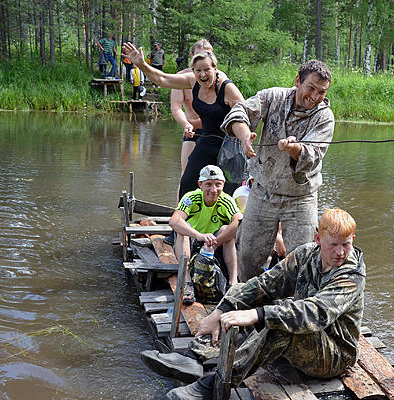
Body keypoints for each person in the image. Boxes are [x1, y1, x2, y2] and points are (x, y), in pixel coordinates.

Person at [140, 208, 365, 400]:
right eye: (333, 245)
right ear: (318, 239)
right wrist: (223, 310)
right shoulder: (306, 254)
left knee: (275, 322)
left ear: (353, 240)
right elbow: (265, 284)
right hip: (309, 338)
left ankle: (216, 383)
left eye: (346, 244)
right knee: (249, 299)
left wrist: (255, 315)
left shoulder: (350, 275)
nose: (340, 252)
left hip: (334, 355)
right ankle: (193, 357)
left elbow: (313, 313)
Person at [221, 60, 335, 283]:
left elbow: (311, 157)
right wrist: (245, 135)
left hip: (300, 198)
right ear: (297, 81)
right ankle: (247, 304)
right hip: (262, 191)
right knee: (248, 255)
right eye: (310, 88)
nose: (315, 96)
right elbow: (239, 112)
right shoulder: (273, 97)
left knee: (304, 260)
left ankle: (297, 309)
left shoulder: (325, 117)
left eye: (321, 92)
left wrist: (294, 148)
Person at [123, 42, 245, 199]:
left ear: (215, 68)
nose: (202, 75)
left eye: (207, 70)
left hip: (229, 143)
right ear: (193, 69)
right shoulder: (191, 80)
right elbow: (162, 79)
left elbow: (244, 114)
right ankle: (183, 218)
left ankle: (230, 221)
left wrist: (245, 138)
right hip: (205, 139)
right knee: (188, 181)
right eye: (198, 71)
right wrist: (141, 65)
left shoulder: (226, 87)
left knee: (229, 188)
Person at [169, 165, 242, 304]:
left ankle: (233, 282)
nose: (213, 190)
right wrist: (198, 235)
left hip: (213, 243)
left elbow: (239, 220)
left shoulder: (226, 200)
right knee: (182, 229)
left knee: (227, 229)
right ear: (200, 184)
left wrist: (217, 242)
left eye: (217, 185)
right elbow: (174, 221)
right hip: (192, 242)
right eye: (208, 185)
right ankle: (187, 281)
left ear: (223, 185)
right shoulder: (192, 197)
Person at [171, 39, 221, 204]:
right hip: (192, 129)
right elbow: (176, 107)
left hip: (214, 131)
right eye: (201, 53)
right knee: (186, 175)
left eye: (209, 54)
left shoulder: (219, 78)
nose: (206, 56)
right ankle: (181, 211)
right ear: (193, 56)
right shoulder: (182, 78)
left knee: (216, 175)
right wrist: (186, 124)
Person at [233, 177, 286, 264]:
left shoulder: (272, 194)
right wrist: (278, 238)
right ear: (253, 181)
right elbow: (249, 216)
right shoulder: (242, 192)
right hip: (247, 232)